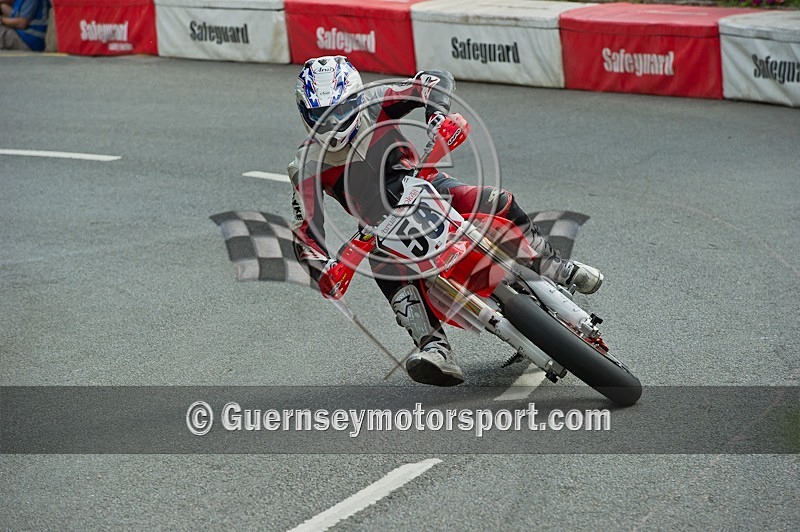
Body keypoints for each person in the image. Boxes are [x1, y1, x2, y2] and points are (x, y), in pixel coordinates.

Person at [288, 55, 602, 387]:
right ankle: (434, 347)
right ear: (304, 114)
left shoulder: (376, 102)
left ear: (357, 97)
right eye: (321, 116)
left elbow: (433, 80)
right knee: (381, 266)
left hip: (427, 184)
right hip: (378, 227)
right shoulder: (304, 164)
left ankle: (556, 266)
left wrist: (438, 116)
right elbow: (305, 232)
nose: (334, 122)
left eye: (342, 109)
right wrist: (324, 270)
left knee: (495, 199)